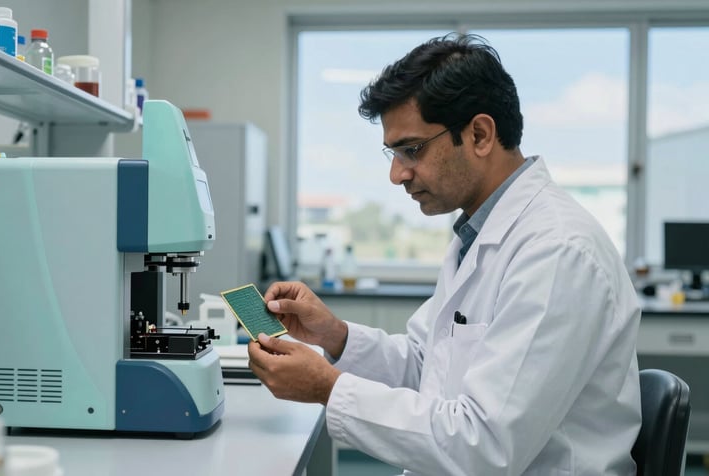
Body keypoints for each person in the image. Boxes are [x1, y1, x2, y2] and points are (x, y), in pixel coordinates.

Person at [248, 33, 641, 475]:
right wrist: (334, 335)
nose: (397, 174)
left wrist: (328, 388)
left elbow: (485, 446)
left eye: (411, 149)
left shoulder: (556, 251)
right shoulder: (477, 234)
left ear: (479, 134)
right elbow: (428, 367)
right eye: (393, 152)